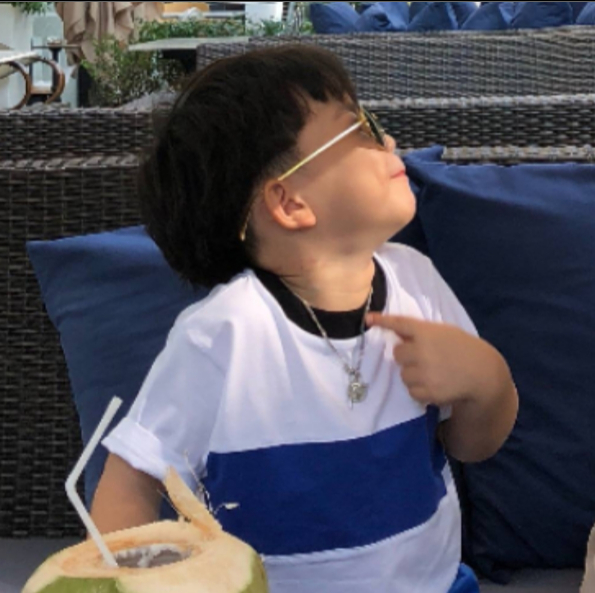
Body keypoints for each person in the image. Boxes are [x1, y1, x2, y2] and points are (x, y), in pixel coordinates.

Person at [92, 45, 518, 593]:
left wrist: (486, 379)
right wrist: (122, 580)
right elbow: (131, 479)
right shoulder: (223, 335)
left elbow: (473, 445)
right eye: (359, 130)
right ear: (290, 203)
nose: (388, 140)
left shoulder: (417, 282)